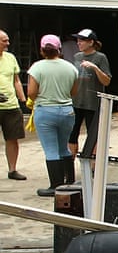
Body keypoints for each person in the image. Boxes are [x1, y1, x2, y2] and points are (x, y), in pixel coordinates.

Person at [26, 34, 78, 197]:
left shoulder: (37, 67)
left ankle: (56, 186)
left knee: (51, 150)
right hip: (67, 111)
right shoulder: (70, 67)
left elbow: (31, 92)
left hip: (45, 111)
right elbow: (73, 92)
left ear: (42, 50)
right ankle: (70, 182)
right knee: (64, 147)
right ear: (59, 50)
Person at [68, 28, 112, 163]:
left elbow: (107, 81)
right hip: (76, 101)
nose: (78, 43)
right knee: (72, 133)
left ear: (91, 42)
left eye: (82, 40)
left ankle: (93, 166)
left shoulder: (100, 57)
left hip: (92, 103)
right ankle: (69, 164)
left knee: (93, 135)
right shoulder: (77, 57)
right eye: (78, 40)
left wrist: (95, 68)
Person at [0, 30, 29, 180]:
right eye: (4, 40)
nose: (8, 43)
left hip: (11, 105)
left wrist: (23, 100)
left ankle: (12, 169)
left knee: (13, 138)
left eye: (7, 40)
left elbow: (16, 80)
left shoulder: (10, 57)